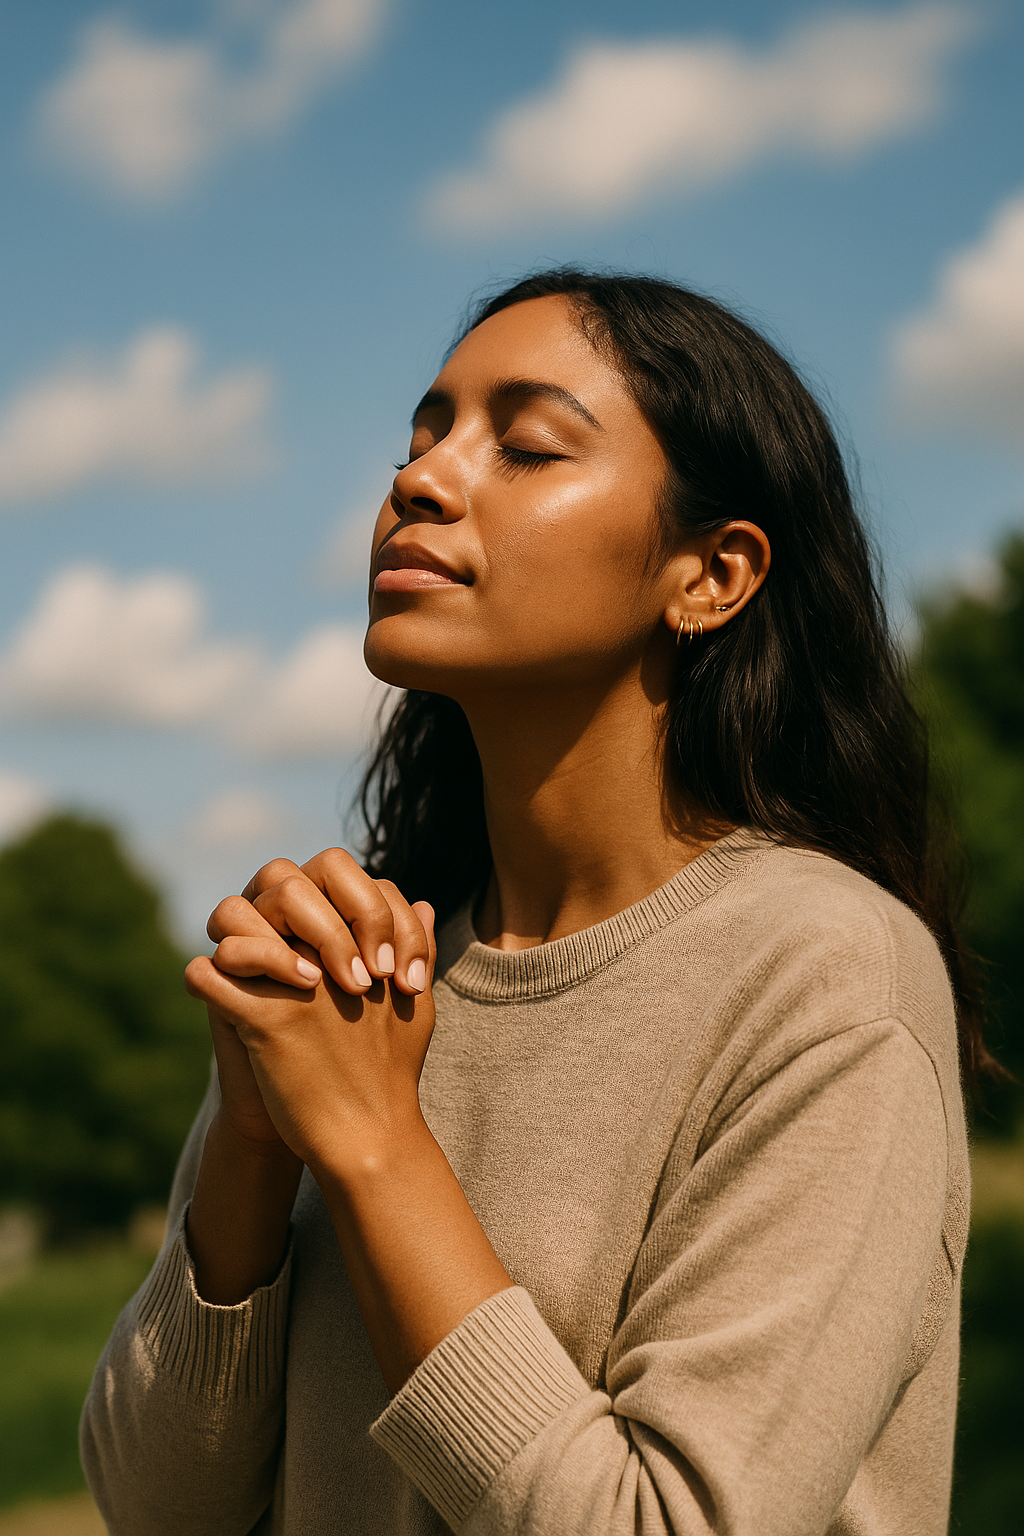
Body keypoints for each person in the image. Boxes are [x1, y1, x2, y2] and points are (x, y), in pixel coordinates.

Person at [81, 270, 981, 1536]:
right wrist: (248, 1137)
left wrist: (377, 1147)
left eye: (528, 445)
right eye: (424, 436)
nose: (423, 480)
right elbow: (159, 1512)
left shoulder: (825, 975)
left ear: (711, 576)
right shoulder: (365, 975)